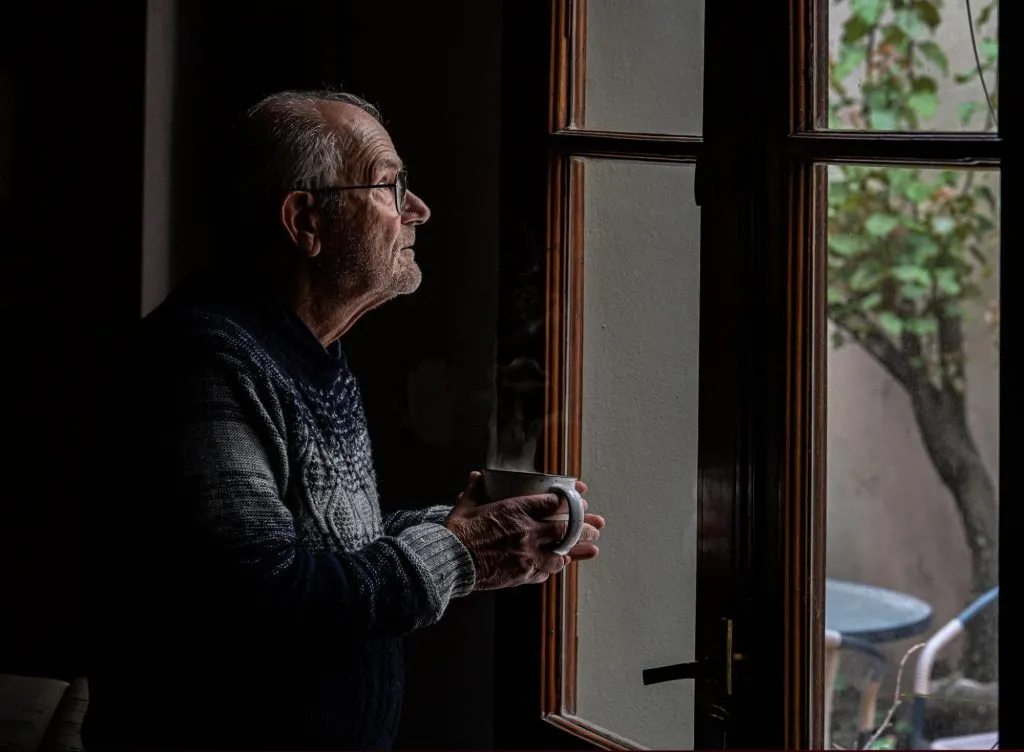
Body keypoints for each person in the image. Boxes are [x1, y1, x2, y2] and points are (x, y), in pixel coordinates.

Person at [82, 90, 605, 750]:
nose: (418, 210)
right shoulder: (204, 361)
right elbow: (264, 596)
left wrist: (462, 533)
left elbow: (320, 548)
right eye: (390, 186)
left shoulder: (311, 349)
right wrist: (460, 553)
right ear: (305, 220)